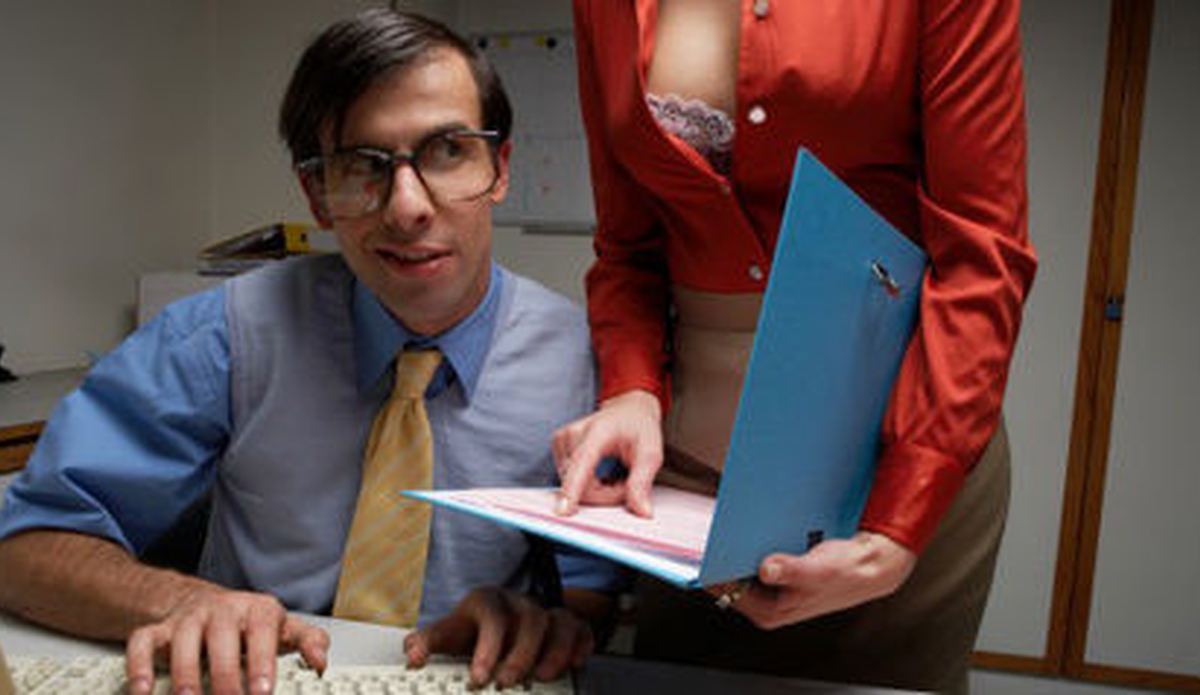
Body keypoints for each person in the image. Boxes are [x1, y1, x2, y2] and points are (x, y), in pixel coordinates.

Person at [0, 9, 618, 694]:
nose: (407, 208)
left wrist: (547, 623)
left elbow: (591, 594)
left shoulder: (587, 365)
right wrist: (182, 601)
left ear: (499, 169)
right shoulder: (224, 336)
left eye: (447, 150)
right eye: (361, 166)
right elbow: (22, 547)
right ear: (318, 195)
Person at [552, 0, 1037, 691]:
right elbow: (626, 247)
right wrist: (629, 391)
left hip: (897, 457)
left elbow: (980, 257)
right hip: (685, 476)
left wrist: (901, 517)